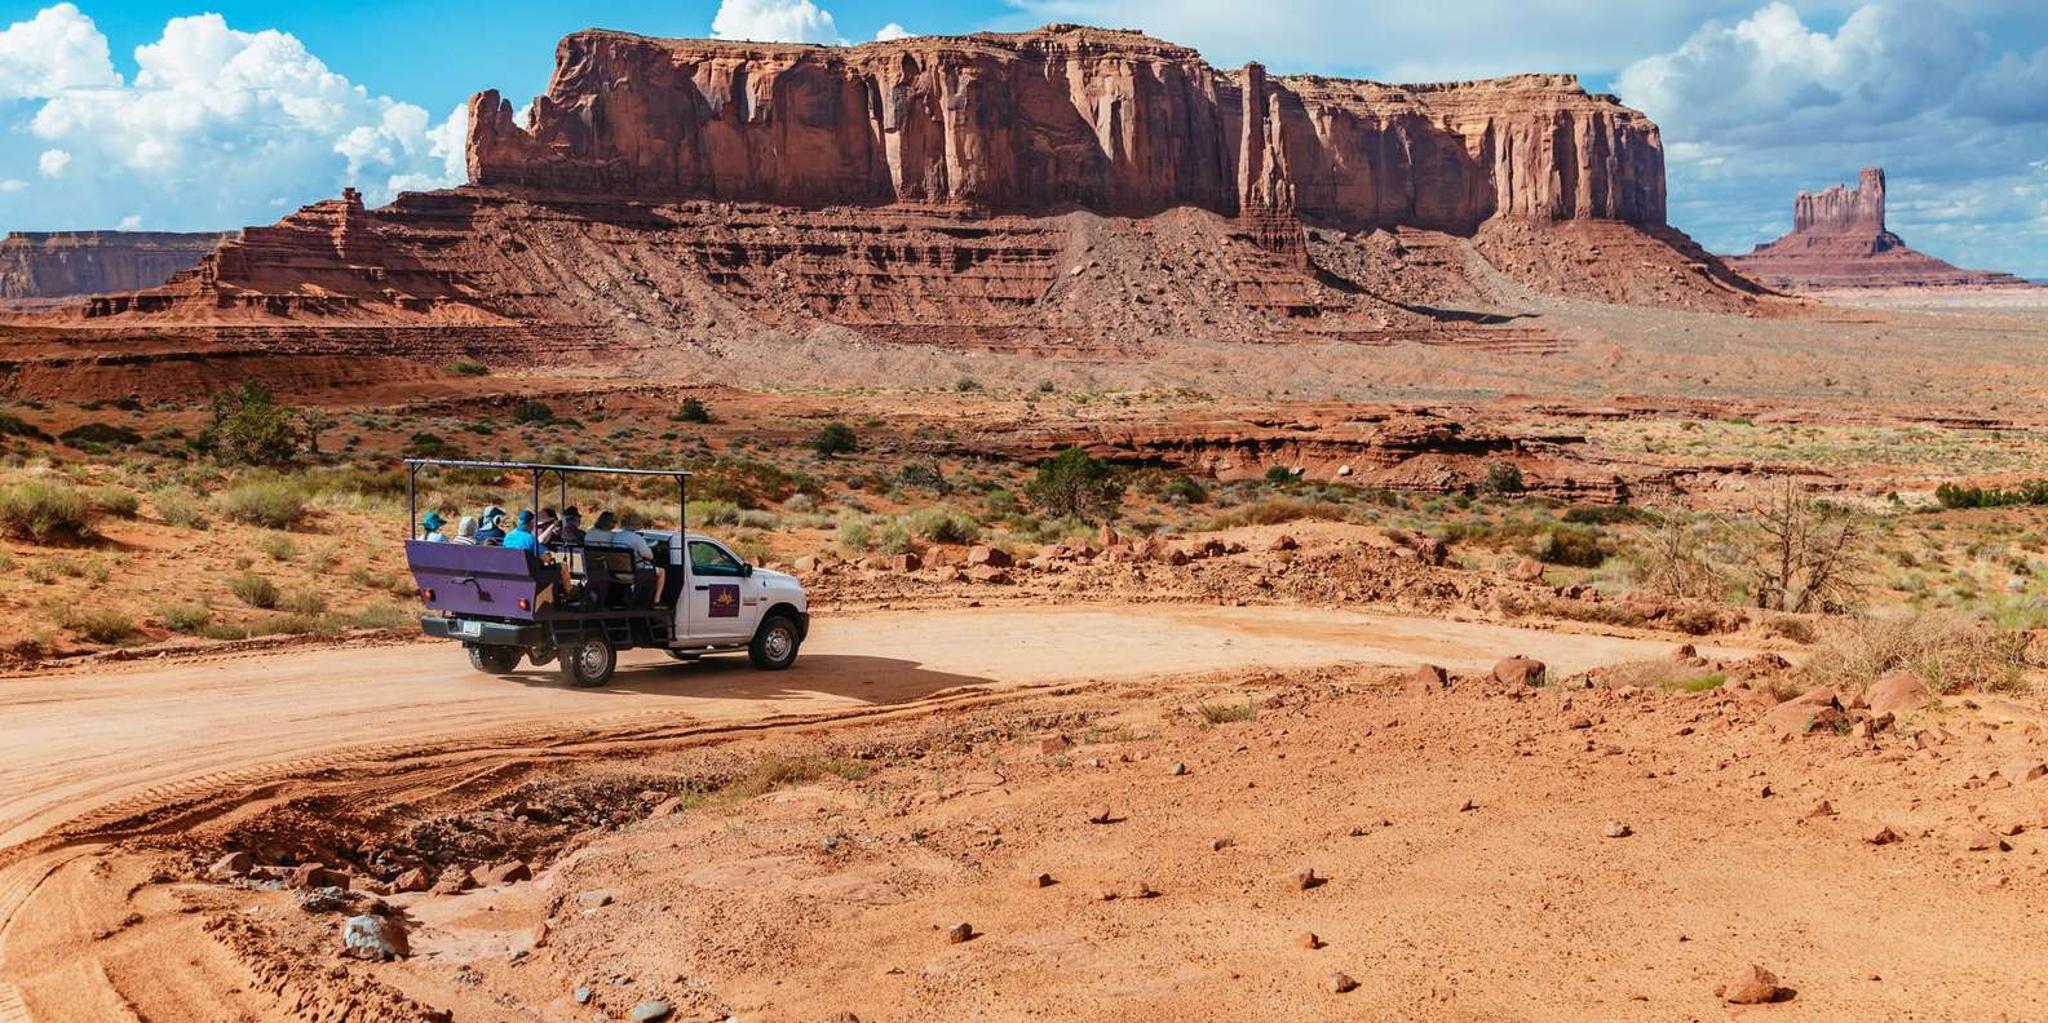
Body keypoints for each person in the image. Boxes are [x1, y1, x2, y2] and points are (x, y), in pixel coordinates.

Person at [584, 510, 663, 605]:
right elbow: (649, 556)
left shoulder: (615, 537)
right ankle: (656, 600)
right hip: (632, 572)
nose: (615, 524)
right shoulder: (635, 538)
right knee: (661, 572)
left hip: (614, 571)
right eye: (613, 521)